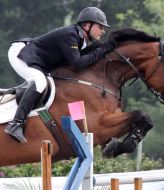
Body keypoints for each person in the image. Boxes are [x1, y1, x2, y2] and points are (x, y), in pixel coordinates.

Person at [4, 7, 116, 143]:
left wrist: (102, 49)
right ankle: (16, 124)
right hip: (21, 54)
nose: (103, 30)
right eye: (100, 26)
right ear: (87, 25)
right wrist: (103, 49)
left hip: (37, 61)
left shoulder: (81, 40)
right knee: (40, 82)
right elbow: (78, 63)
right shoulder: (71, 35)